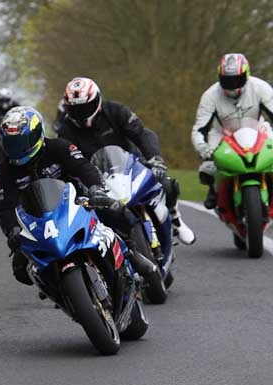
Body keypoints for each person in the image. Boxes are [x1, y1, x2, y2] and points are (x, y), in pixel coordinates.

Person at [0, 106, 157, 285]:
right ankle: (58, 288)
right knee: (20, 270)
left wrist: (95, 188)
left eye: (21, 142)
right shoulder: (3, 172)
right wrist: (12, 230)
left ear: (37, 134)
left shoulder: (59, 147)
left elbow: (84, 168)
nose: (17, 148)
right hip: (39, 221)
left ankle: (131, 253)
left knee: (115, 212)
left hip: (77, 203)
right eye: (12, 143)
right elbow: (5, 207)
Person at [58, 77, 196, 245]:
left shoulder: (116, 111)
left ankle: (175, 219)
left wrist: (155, 158)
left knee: (166, 184)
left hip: (130, 165)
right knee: (97, 211)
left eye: (85, 107)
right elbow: (68, 159)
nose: (81, 113)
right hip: (98, 179)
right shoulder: (66, 130)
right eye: (75, 109)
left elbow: (142, 133)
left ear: (96, 100)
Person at [191, 53, 273, 209]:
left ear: (246, 75)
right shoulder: (210, 96)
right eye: (227, 80)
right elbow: (199, 129)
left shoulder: (261, 88)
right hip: (222, 133)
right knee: (208, 166)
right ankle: (214, 189)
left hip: (258, 129)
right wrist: (202, 148)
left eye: (237, 79)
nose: (232, 85)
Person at [0, 88, 21, 161]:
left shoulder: (17, 107)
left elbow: (23, 118)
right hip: (1, 132)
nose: (4, 102)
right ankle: (0, 158)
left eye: (6, 100)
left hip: (16, 131)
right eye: (2, 100)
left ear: (10, 99)